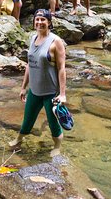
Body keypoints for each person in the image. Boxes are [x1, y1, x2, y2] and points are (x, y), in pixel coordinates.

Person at [9, 9, 67, 157]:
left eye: (43, 20)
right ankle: (19, 138)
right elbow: (29, 64)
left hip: (50, 92)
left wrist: (62, 94)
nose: (40, 22)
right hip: (34, 90)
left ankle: (57, 146)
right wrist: (23, 87)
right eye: (37, 19)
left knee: (54, 124)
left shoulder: (56, 42)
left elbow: (61, 69)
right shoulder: (33, 38)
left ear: (49, 22)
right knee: (27, 119)